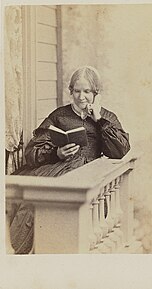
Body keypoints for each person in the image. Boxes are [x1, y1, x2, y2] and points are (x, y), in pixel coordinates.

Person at [9, 66, 130, 253]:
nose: (81, 97)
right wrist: (56, 153)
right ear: (71, 91)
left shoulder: (106, 117)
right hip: (57, 169)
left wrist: (98, 119)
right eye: (77, 91)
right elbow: (32, 151)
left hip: (88, 174)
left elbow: (120, 150)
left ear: (96, 93)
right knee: (31, 206)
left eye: (87, 91)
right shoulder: (59, 116)